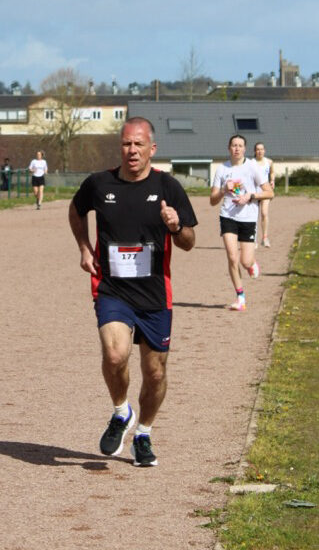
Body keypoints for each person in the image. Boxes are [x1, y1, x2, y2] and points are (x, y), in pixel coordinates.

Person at [68, 117, 197, 467]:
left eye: (139, 144)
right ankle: (121, 411)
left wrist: (176, 226)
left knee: (154, 372)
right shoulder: (99, 183)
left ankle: (143, 433)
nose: (132, 150)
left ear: (151, 149)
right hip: (112, 289)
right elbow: (76, 211)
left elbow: (189, 243)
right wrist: (84, 247)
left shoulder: (168, 187)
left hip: (155, 294)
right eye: (127, 144)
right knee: (114, 355)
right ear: (120, 147)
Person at [210, 134, 274, 311]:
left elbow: (269, 192)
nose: (237, 148)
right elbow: (212, 200)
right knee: (232, 257)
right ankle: (240, 297)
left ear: (245, 149)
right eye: (234, 145)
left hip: (248, 218)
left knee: (245, 261)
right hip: (228, 216)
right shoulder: (222, 169)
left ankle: (251, 264)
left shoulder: (253, 167)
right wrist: (223, 190)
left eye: (240, 146)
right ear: (229, 148)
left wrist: (250, 196)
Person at [250, 142, 275, 247]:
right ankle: (253, 240)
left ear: (264, 150)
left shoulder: (269, 162)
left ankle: (265, 238)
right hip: (254, 193)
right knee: (253, 216)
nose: (260, 151)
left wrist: (272, 180)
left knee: (264, 213)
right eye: (258, 149)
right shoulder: (251, 163)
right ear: (255, 151)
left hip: (265, 192)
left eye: (261, 149)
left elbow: (272, 172)